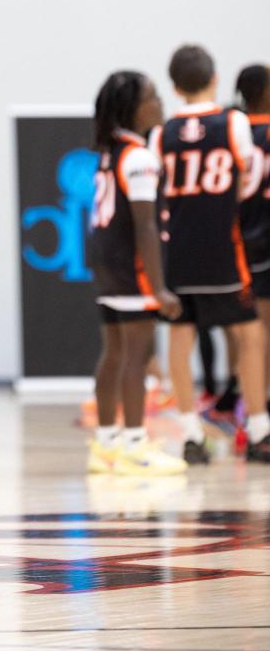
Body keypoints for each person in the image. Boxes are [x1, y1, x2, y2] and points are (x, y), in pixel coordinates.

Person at [155, 45, 270, 464]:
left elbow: (161, 189)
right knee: (249, 334)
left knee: (180, 337)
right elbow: (245, 179)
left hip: (179, 251)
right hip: (223, 248)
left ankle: (190, 435)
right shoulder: (233, 122)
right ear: (215, 78)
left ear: (174, 87)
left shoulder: (162, 132)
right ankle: (258, 429)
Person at [85, 71, 185, 476]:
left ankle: (106, 443)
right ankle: (134, 445)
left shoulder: (111, 152)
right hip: (132, 268)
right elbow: (145, 226)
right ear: (133, 109)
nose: (159, 104)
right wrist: (159, 288)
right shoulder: (140, 157)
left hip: (107, 266)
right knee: (136, 356)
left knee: (113, 353)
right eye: (152, 97)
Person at [236, 63, 270, 406]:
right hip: (262, 239)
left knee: (250, 331)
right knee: (259, 332)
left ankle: (247, 403)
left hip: (240, 242)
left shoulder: (234, 131)